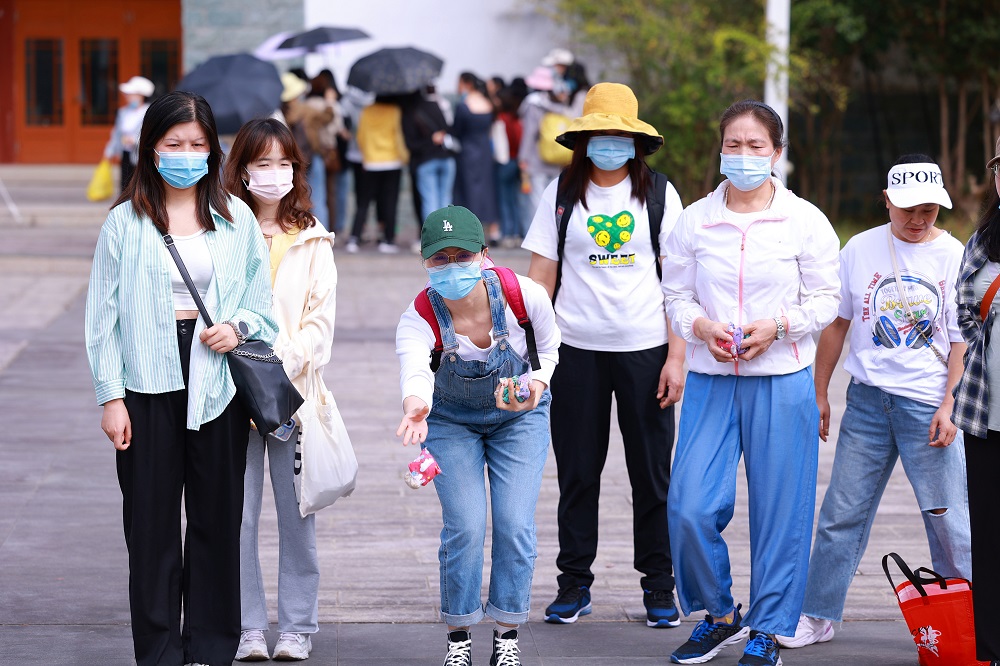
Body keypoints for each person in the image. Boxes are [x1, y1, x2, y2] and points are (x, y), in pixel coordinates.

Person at [85, 90, 278, 666]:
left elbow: (260, 304)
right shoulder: (123, 223)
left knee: (217, 518)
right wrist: (111, 397)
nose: (187, 155)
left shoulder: (236, 217)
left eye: (198, 145)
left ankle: (211, 648)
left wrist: (236, 327)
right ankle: (160, 650)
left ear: (213, 150)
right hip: (146, 380)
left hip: (217, 377)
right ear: (151, 148)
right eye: (174, 144)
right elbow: (102, 318)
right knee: (150, 525)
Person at [661, 99, 840, 666]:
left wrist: (779, 327)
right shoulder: (694, 220)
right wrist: (700, 327)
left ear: (777, 153)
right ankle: (720, 615)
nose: (743, 155)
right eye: (733, 145)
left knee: (782, 513)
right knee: (688, 506)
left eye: (755, 145)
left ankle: (768, 626)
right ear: (720, 151)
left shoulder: (805, 220)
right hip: (711, 378)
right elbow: (675, 295)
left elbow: (827, 299)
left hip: (783, 378)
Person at [777, 155, 972, 650]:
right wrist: (820, 391)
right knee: (840, 513)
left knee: (948, 519)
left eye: (929, 210)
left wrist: (949, 405)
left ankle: (971, 622)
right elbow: (837, 324)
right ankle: (818, 615)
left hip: (928, 406)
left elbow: (960, 341)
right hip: (866, 402)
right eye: (907, 209)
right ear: (886, 200)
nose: (918, 220)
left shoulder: (954, 255)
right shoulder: (860, 248)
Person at [522, 82, 686, 630]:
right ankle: (574, 584)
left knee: (652, 476)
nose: (609, 144)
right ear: (584, 139)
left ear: (636, 142)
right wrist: (533, 353)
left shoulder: (660, 194)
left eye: (620, 135)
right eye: (600, 134)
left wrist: (677, 357)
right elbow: (540, 277)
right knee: (577, 473)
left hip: (646, 351)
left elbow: (679, 283)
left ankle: (659, 586)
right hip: (575, 351)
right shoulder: (561, 193)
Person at [395, 205, 560, 666]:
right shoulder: (419, 315)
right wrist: (415, 408)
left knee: (515, 523)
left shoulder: (523, 295)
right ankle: (459, 635)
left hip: (520, 418)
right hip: (450, 421)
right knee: (466, 526)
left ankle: (507, 632)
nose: (451, 267)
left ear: (484, 255)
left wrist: (537, 386)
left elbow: (550, 347)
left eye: (462, 256)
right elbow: (414, 369)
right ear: (425, 262)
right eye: (439, 258)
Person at [223, 118, 338, 662]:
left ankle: (296, 626)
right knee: (236, 519)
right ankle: (246, 626)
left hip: (291, 398)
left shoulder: (313, 237)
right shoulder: (221, 228)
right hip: (228, 396)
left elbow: (320, 325)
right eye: (263, 163)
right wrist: (243, 369)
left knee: (297, 518)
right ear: (242, 170)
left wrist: (273, 368)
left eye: (284, 163)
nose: (275, 173)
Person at [950, 135, 1000, 665]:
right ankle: (991, 646)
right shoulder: (983, 240)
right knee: (988, 534)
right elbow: (963, 311)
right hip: (987, 413)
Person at [346, 95, 408, 254]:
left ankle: (354, 237)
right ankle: (388, 239)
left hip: (371, 161)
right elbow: (399, 134)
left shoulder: (367, 111)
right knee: (390, 202)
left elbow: (361, 136)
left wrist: (366, 155)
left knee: (363, 202)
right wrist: (404, 156)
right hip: (392, 161)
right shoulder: (395, 110)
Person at [518, 66, 573, 231]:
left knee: (536, 200)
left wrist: (523, 157)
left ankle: (535, 234)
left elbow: (530, 133)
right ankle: (552, 233)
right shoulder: (558, 104)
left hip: (536, 159)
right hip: (555, 158)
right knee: (552, 199)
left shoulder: (533, 104)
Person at [452, 73, 500, 245]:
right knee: (488, 189)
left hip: (468, 152)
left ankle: (470, 231)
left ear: (467, 83)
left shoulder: (464, 105)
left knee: (468, 189)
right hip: (485, 151)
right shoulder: (489, 103)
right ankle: (494, 230)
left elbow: (456, 130)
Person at [104, 75, 155, 192]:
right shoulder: (123, 112)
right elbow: (116, 133)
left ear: (141, 95)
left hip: (141, 155)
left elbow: (151, 134)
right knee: (125, 184)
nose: (128, 97)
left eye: (132, 94)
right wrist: (110, 151)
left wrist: (135, 140)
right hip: (125, 153)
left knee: (141, 186)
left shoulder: (149, 112)